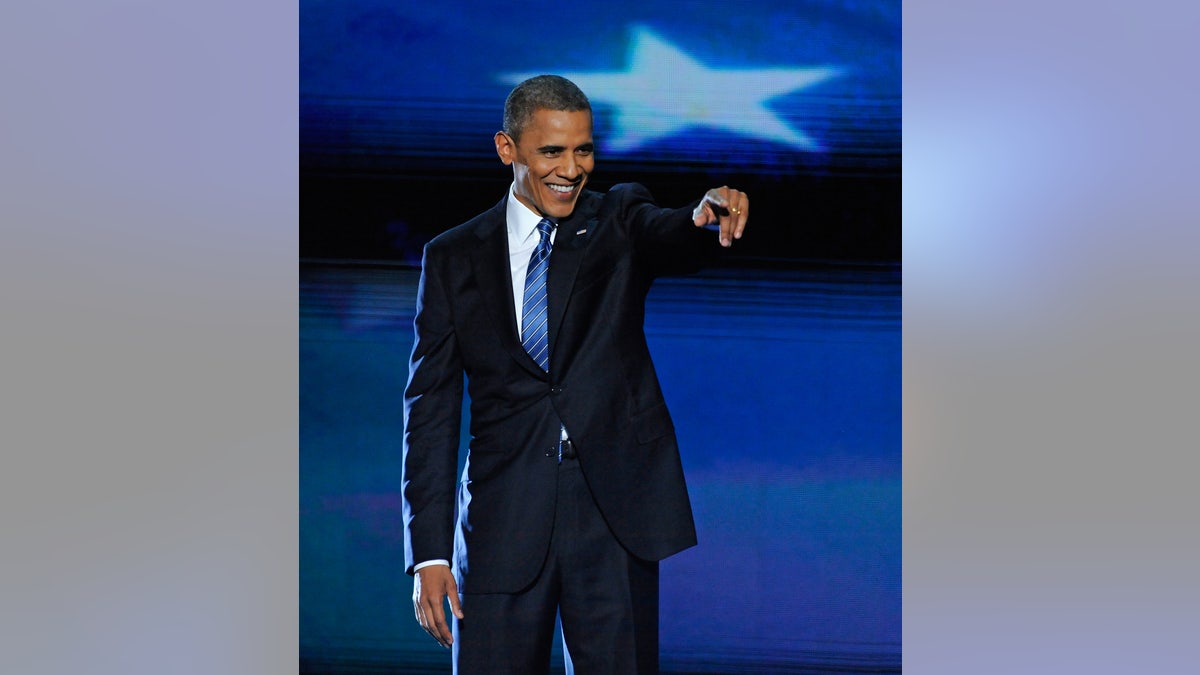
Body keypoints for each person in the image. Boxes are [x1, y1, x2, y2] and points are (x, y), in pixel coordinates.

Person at [402, 74, 749, 674]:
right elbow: (429, 409)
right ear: (507, 149)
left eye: (583, 149)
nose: (571, 167)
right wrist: (429, 555)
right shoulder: (453, 256)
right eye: (552, 151)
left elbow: (666, 231)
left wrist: (698, 218)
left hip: (612, 511)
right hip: (501, 516)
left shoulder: (616, 218)